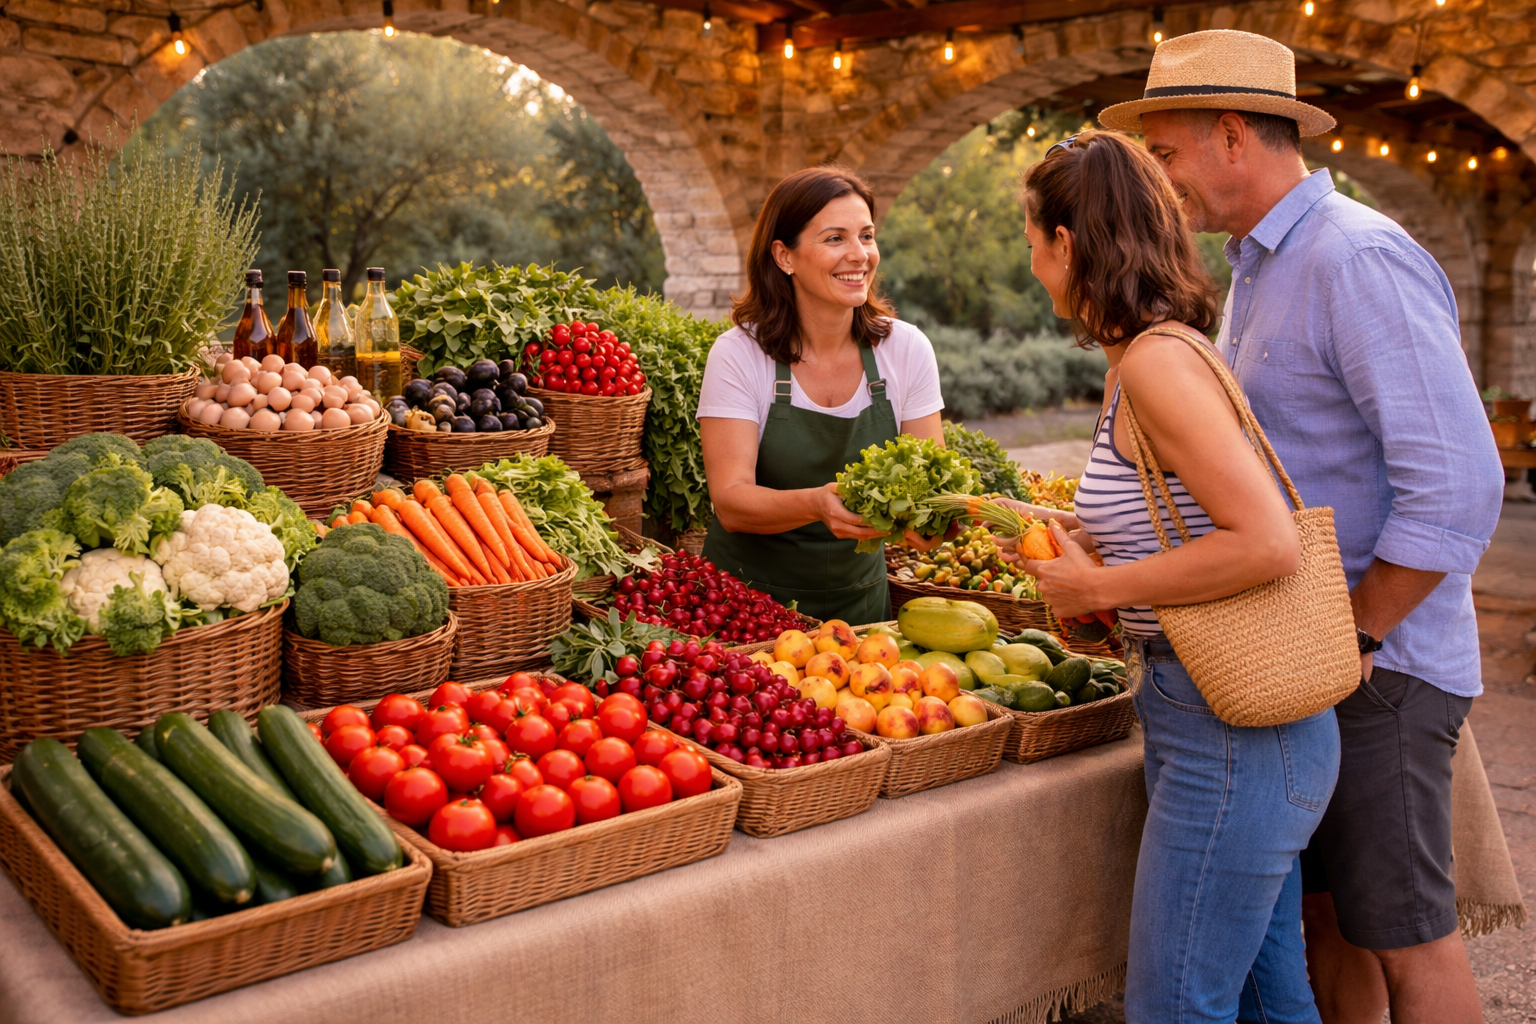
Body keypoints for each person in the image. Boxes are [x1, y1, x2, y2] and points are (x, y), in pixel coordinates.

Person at [1101, 28, 1505, 1023]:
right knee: (1331, 926)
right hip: (1307, 658)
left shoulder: (1355, 256)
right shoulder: (1258, 266)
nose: (1163, 179)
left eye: (1168, 152)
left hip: (1381, 662)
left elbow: (1459, 483)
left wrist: (1361, 627)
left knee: (1407, 937)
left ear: (1233, 134)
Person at [1013, 129, 1340, 1022]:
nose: (1034, 261)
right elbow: (1194, 518)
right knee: (1272, 1002)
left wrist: (1097, 590)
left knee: (1174, 1006)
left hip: (1233, 730)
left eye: (1033, 240)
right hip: (1237, 725)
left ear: (1069, 244)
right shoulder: (1154, 355)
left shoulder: (1157, 365)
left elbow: (1267, 543)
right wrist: (1092, 531)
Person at [697, 165, 944, 623]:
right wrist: (816, 503)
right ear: (784, 256)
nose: (859, 255)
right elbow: (731, 501)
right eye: (835, 239)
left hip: (862, 611)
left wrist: (930, 523)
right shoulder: (739, 354)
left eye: (866, 236)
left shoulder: (906, 349)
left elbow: (929, 482)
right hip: (745, 607)